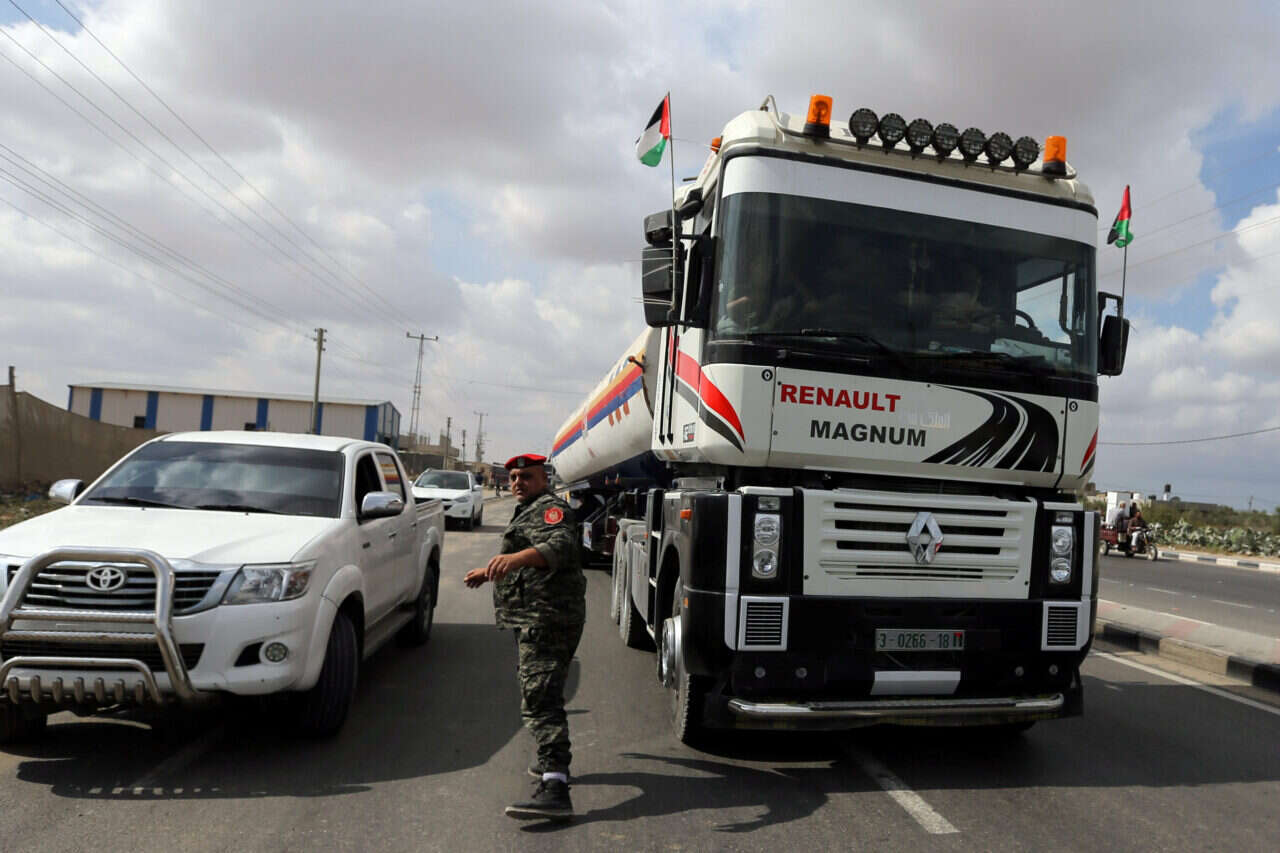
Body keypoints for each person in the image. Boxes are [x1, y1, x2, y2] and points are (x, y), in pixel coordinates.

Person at [464, 453, 586, 822]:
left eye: (527, 477)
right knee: (543, 692)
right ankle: (552, 764)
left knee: (539, 698)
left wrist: (515, 560)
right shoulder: (529, 509)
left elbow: (561, 546)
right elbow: (525, 557)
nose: (518, 483)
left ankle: (555, 786)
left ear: (544, 479)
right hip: (536, 616)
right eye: (514, 477)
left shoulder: (551, 509)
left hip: (546, 619)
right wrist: (489, 570)